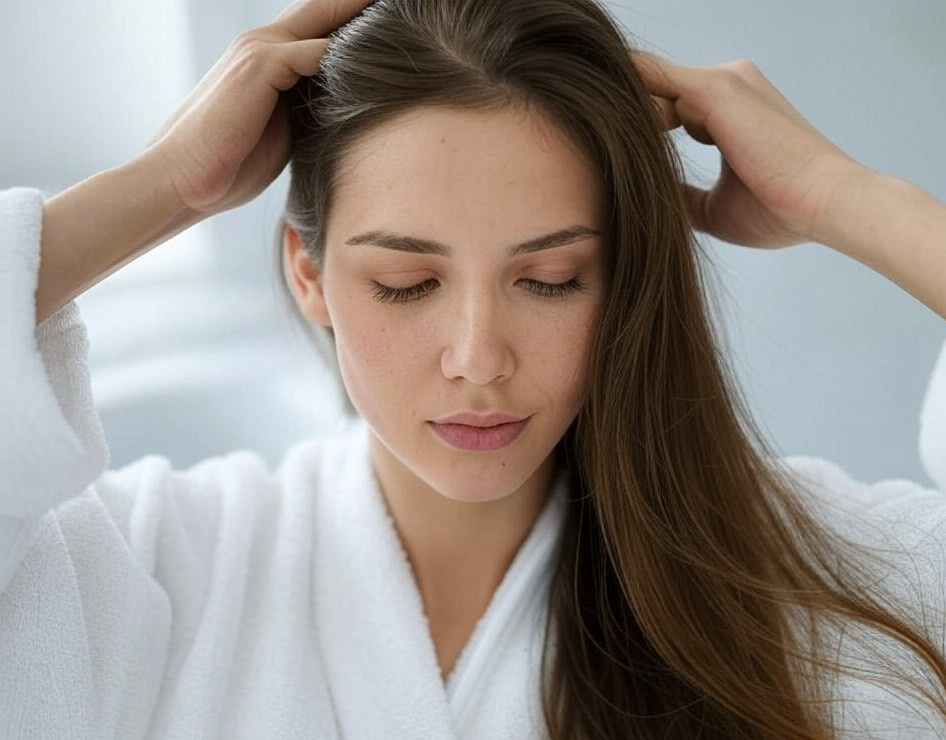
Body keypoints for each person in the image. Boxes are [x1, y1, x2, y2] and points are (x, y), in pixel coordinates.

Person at [2, 0, 945, 737]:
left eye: (550, 279)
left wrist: (848, 198)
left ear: (619, 279)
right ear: (310, 275)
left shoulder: (819, 576)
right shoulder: (147, 576)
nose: (478, 359)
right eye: (408, 284)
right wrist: (162, 186)